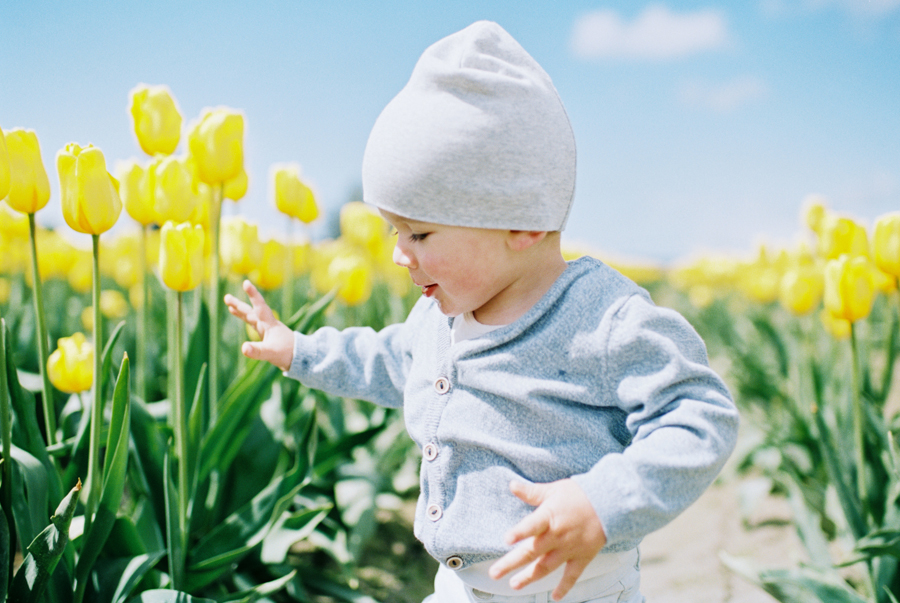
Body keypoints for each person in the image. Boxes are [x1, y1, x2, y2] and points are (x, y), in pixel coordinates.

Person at [225, 20, 739, 603]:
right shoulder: (439, 319)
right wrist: (301, 349)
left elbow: (700, 416)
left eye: (418, 233)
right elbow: (390, 358)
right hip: (460, 586)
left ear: (522, 222)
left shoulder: (603, 320)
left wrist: (605, 500)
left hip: (572, 588)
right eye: (395, 231)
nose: (397, 254)